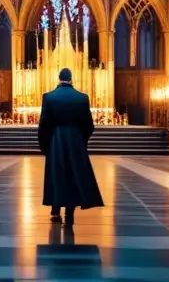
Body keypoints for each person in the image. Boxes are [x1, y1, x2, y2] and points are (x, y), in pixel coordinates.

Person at [38, 67, 104, 225]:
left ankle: (55, 210)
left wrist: (45, 145)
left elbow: (44, 124)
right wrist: (82, 141)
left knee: (56, 174)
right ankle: (70, 212)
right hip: (75, 140)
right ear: (71, 78)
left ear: (59, 78)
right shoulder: (82, 98)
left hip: (56, 140)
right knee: (73, 174)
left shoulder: (49, 97)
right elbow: (89, 125)